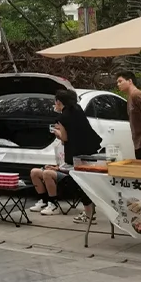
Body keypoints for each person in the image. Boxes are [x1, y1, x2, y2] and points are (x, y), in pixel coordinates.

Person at [45, 88, 102, 223]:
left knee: (79, 183)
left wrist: (56, 132)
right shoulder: (78, 110)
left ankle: (88, 214)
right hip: (90, 149)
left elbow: (64, 137)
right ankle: (90, 211)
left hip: (75, 153)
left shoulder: (62, 117)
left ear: (58, 102)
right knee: (87, 182)